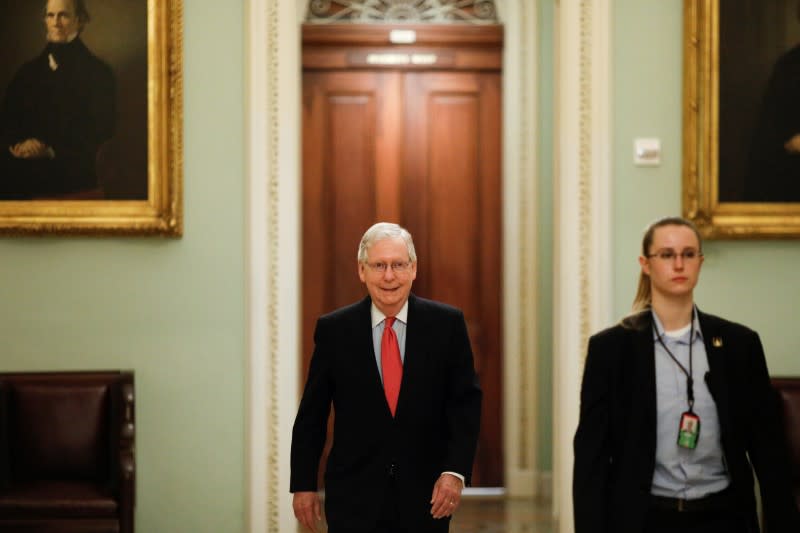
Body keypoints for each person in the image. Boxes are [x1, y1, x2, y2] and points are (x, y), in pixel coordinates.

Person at [573, 216, 800, 533]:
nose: (679, 264)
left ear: (700, 262)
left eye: (688, 254)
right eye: (667, 255)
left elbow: (767, 449)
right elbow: (591, 459)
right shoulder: (611, 350)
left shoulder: (739, 345)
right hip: (644, 517)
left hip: (723, 517)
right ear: (646, 264)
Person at [290, 222, 482, 533]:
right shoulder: (334, 331)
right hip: (352, 496)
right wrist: (303, 484)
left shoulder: (447, 325)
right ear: (361, 270)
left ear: (414, 269)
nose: (389, 276)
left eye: (398, 265)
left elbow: (465, 405)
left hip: (426, 496)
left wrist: (455, 471)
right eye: (379, 265)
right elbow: (312, 414)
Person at [0, 0, 115, 199]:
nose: (56, 22)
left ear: (79, 21)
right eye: (50, 15)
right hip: (22, 164)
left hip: (71, 169)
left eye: (63, 15)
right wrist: (20, 145)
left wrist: (50, 150)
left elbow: (101, 130)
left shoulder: (99, 73)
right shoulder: (26, 72)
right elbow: (7, 120)